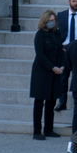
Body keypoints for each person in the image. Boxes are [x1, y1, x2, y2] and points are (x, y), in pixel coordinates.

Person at [30, 10, 64, 140]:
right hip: (42, 72)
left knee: (51, 101)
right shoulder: (40, 35)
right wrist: (52, 67)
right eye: (50, 20)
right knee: (39, 101)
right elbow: (40, 55)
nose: (52, 22)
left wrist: (61, 65)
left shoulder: (56, 33)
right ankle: (37, 131)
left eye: (53, 20)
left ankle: (49, 129)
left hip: (55, 71)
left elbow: (60, 50)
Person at [55, 0, 77, 112]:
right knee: (63, 78)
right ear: (69, 1)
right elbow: (56, 34)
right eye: (74, 1)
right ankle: (62, 102)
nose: (76, 3)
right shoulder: (61, 15)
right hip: (64, 49)